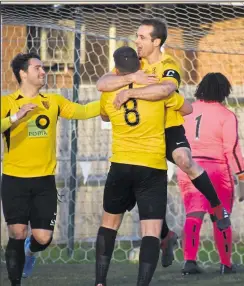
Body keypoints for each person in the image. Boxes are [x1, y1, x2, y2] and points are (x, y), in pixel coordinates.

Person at [96, 18, 231, 268]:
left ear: (156, 41)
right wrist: (130, 79)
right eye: (137, 36)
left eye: (142, 37)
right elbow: (102, 84)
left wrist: (130, 91)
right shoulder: (135, 64)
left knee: (183, 159)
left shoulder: (169, 64)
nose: (136, 41)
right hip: (142, 136)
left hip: (167, 127)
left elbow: (166, 90)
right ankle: (167, 236)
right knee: (140, 189)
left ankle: (217, 206)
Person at [95, 46, 192, 286]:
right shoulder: (157, 90)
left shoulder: (108, 94)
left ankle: (99, 282)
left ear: (116, 69)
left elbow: (105, 116)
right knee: (150, 230)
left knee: (109, 224)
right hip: (151, 166)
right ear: (141, 67)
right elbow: (187, 109)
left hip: (120, 165)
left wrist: (123, 89)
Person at [1, 53, 100, 286]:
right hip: (14, 179)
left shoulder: (53, 101)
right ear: (23, 73)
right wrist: (16, 116)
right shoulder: (7, 102)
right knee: (17, 233)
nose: (43, 71)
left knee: (43, 238)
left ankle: (31, 252)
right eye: (37, 68)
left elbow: (82, 111)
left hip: (44, 181)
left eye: (43, 67)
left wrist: (112, 100)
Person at [177, 73, 244, 275]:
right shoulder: (226, 115)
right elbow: (231, 150)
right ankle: (226, 264)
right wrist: (241, 175)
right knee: (220, 215)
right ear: (224, 91)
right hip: (217, 170)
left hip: (189, 166)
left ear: (201, 88)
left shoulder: (187, 110)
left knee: (193, 214)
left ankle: (189, 262)